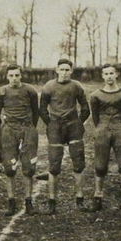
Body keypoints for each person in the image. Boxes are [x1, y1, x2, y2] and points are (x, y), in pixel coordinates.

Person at [40, 59, 90, 214]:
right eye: (62, 69)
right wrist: (51, 123)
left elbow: (85, 108)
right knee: (54, 165)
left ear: (71, 71)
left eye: (67, 70)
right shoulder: (48, 86)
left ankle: (80, 199)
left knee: (78, 163)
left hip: (73, 125)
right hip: (56, 125)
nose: (64, 72)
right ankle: (52, 201)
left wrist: (78, 123)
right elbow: (42, 109)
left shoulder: (76, 86)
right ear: (56, 70)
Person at [0, 64, 43, 216]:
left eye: (17, 75)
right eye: (11, 75)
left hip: (27, 128)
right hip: (9, 130)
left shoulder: (30, 90)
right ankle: (11, 202)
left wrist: (30, 129)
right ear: (7, 77)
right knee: (9, 167)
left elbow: (36, 112)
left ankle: (28, 202)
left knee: (28, 167)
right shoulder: (2, 92)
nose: (14, 78)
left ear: (21, 76)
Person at [87, 64, 121, 211]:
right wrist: (102, 128)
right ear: (102, 76)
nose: (109, 76)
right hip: (102, 128)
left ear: (116, 74)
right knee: (100, 165)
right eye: (106, 73)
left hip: (120, 127)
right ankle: (98, 196)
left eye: (111, 73)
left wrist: (119, 126)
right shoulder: (96, 95)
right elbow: (95, 117)